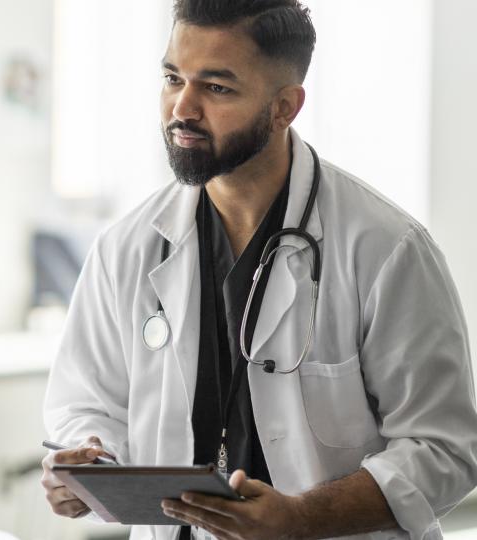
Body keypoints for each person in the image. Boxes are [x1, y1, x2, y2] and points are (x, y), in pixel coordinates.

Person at [41, 0, 477, 539]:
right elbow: (85, 404)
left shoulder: (386, 248)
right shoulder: (126, 248)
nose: (182, 107)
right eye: (173, 77)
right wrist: (88, 465)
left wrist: (301, 518)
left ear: (284, 108)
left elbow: (445, 449)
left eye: (217, 88)